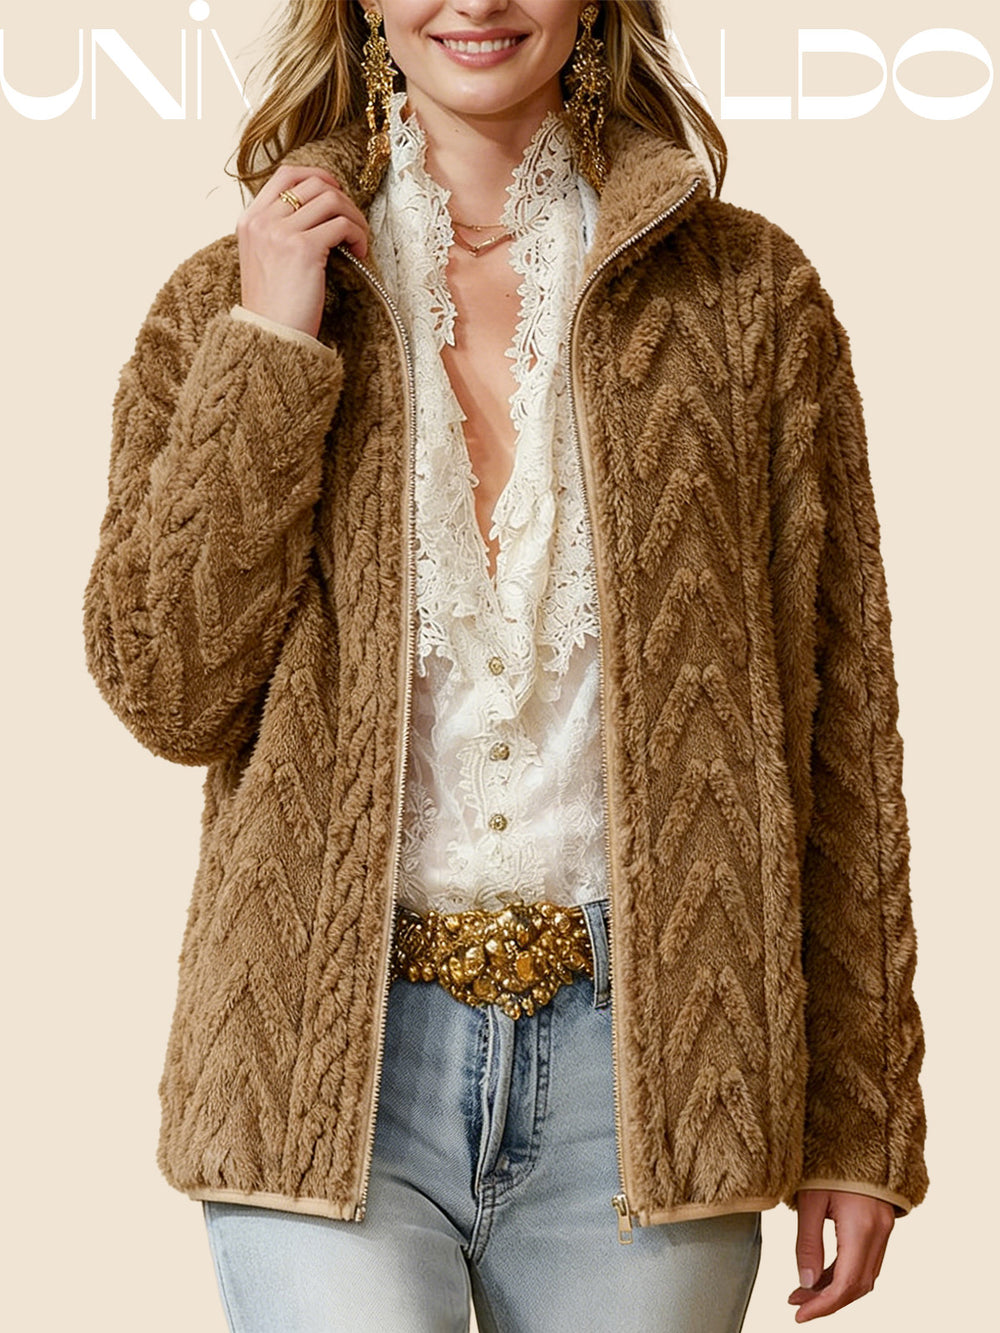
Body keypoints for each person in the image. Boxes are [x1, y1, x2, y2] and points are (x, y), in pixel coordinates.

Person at [82, 2, 928, 1329]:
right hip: (322, 1063)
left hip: (658, 1075)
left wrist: (857, 1120)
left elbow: (842, 726)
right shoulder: (224, 302)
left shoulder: (748, 300)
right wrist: (272, 344)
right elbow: (168, 689)